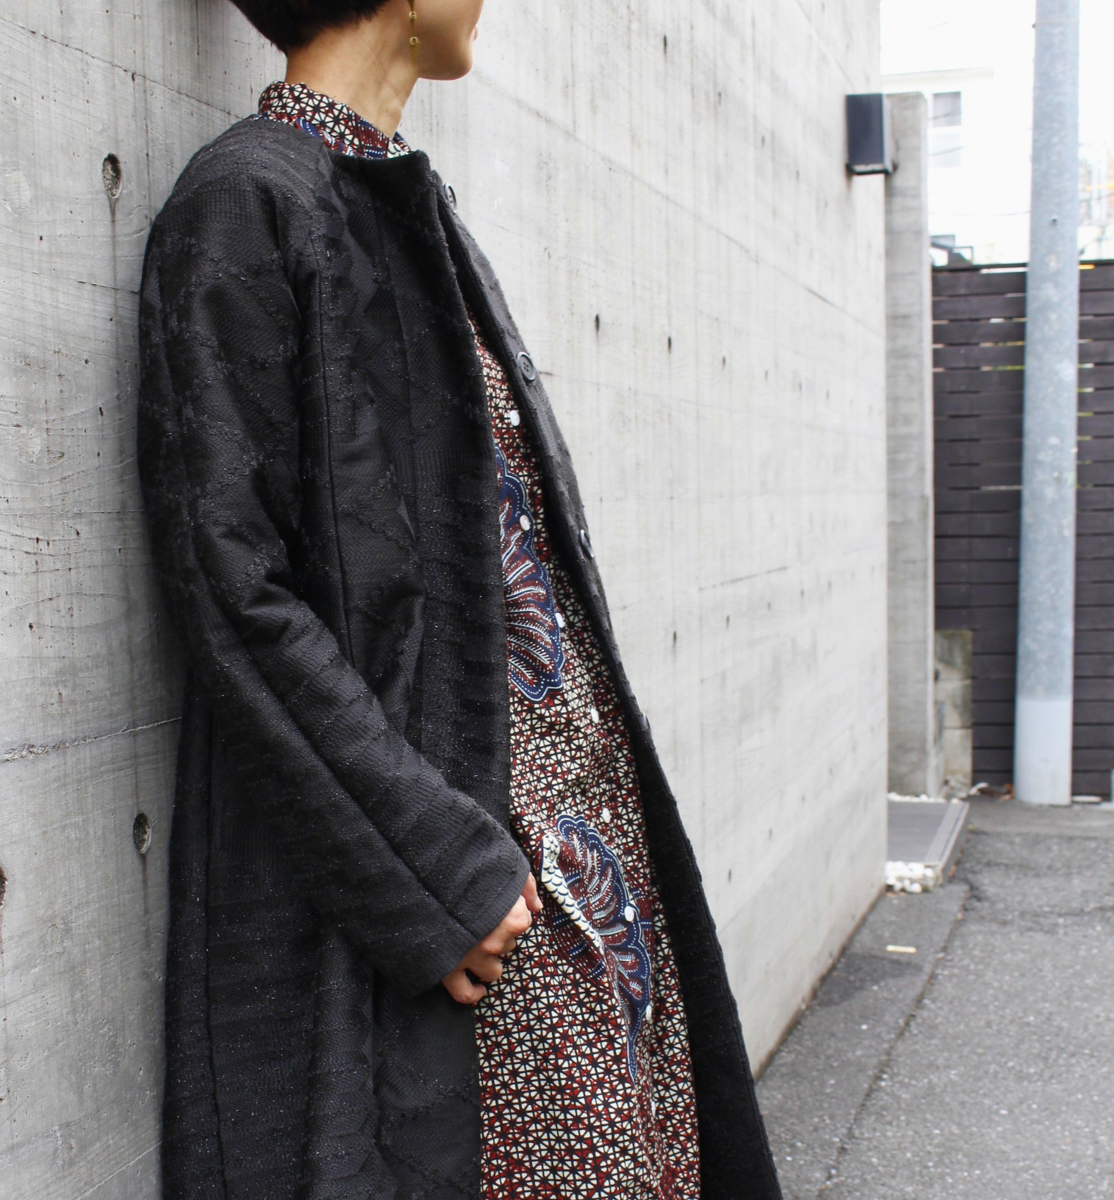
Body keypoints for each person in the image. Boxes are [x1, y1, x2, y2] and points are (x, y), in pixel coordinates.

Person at [137, 1, 782, 1197]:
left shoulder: (403, 202)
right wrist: (437, 867)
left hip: (570, 863)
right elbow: (233, 589)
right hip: (473, 896)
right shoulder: (248, 201)